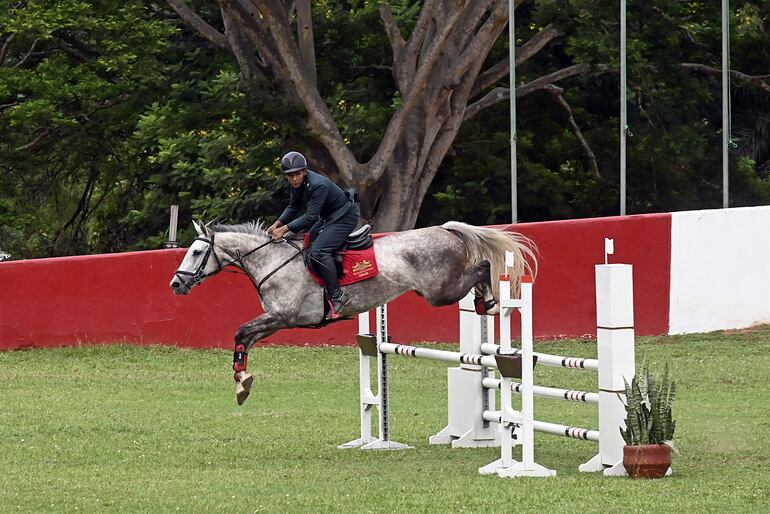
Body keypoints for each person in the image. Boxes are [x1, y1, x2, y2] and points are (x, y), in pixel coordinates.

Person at [267, 151, 360, 319]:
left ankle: (338, 295)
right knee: (307, 245)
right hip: (329, 217)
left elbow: (310, 217)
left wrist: (284, 230)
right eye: (290, 176)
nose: (294, 179)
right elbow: (293, 207)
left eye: (297, 174)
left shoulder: (318, 185)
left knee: (318, 251)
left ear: (304, 171)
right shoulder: (297, 185)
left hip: (344, 217)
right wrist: (278, 223)